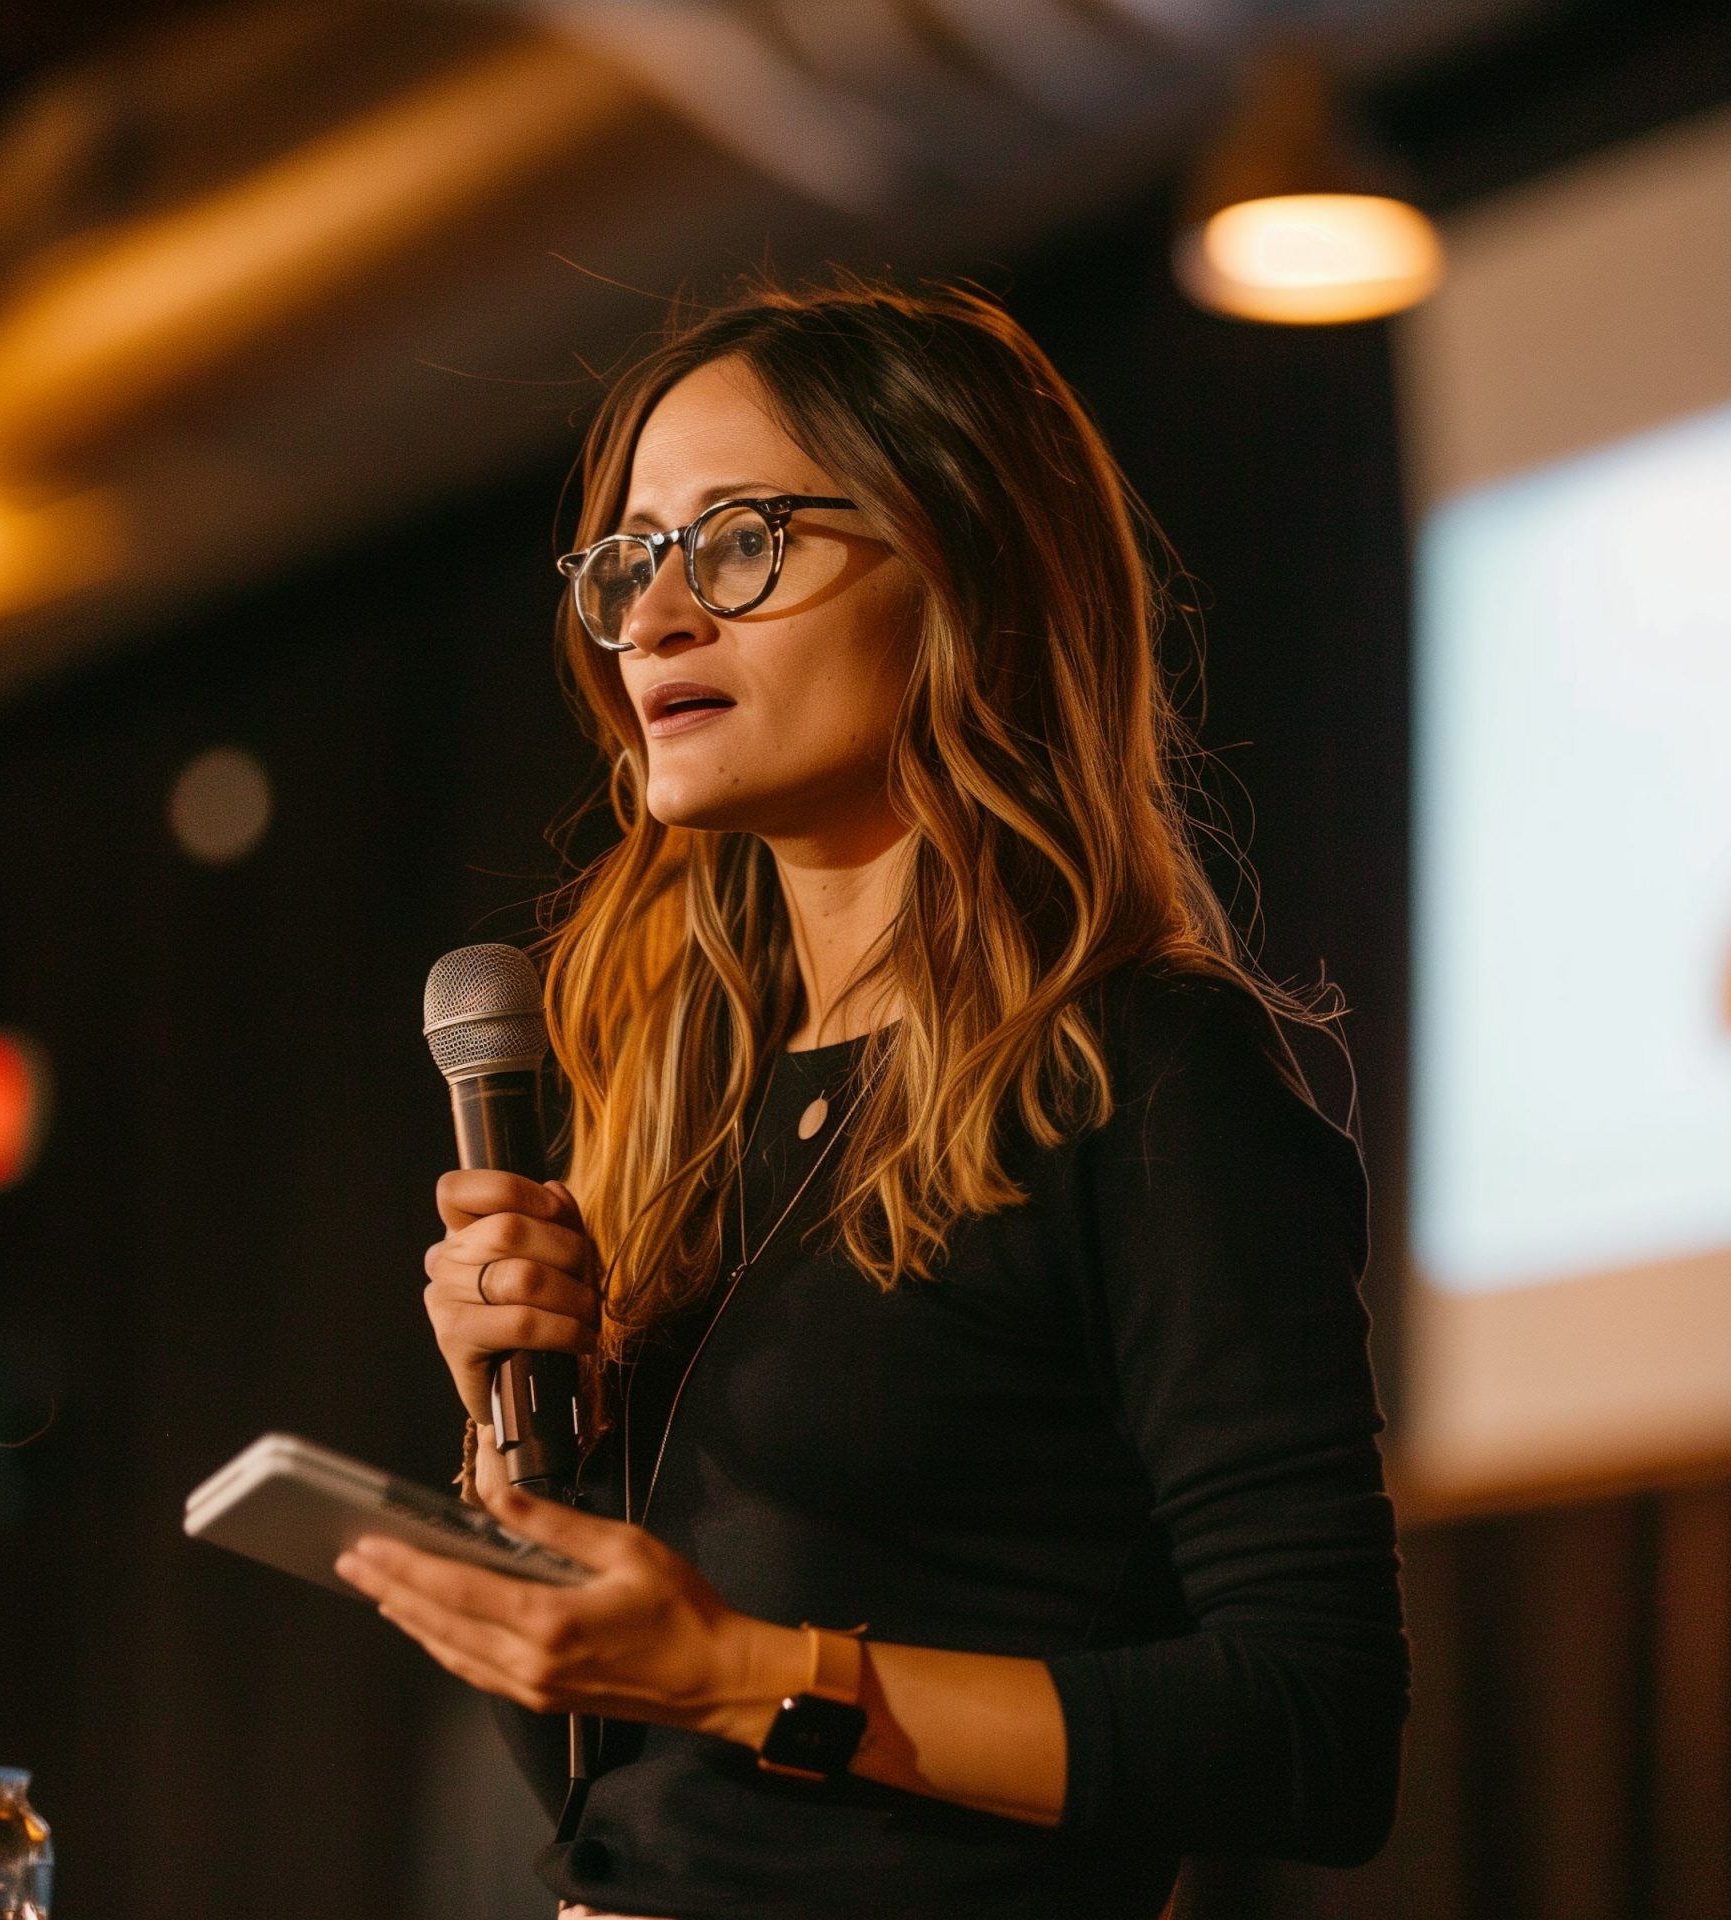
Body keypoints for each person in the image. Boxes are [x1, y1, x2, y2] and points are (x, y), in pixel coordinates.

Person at [334, 273, 1409, 1920]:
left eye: (738, 541)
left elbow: (1312, 1733)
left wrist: (743, 1673)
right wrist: (519, 1468)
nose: (655, 617)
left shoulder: (1145, 1075)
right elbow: (623, 1801)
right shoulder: (693, 1116)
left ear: (963, 567)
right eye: (630, 558)